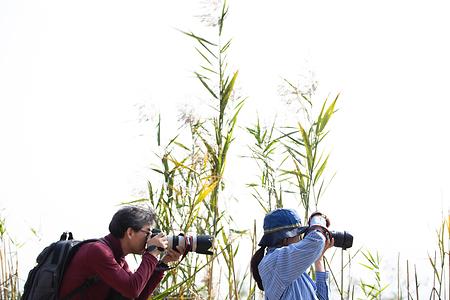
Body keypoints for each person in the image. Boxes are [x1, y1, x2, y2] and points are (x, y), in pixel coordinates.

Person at [59, 206, 185, 300]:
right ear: (130, 232)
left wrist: (163, 263)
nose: (149, 238)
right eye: (147, 233)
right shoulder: (98, 251)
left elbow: (137, 296)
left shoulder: (118, 258)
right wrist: (152, 254)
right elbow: (132, 290)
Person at [250, 208, 334, 300]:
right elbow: (317, 241)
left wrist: (319, 259)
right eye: (298, 236)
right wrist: (318, 220)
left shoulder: (291, 272)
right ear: (286, 239)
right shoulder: (274, 262)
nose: (301, 239)